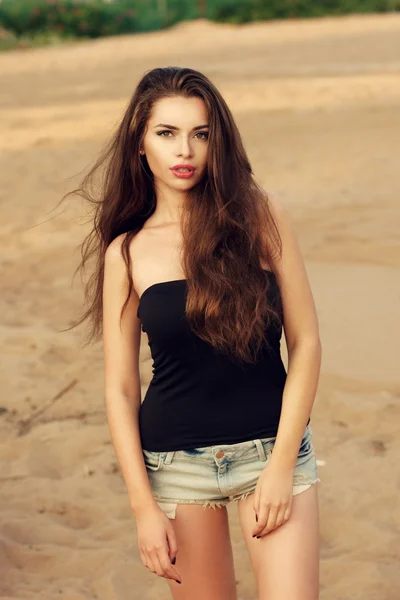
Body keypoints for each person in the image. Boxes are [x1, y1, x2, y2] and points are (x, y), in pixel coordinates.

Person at [67, 66, 322, 600]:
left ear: (217, 141)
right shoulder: (127, 252)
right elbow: (119, 388)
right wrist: (142, 506)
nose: (185, 150)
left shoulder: (260, 215)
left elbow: (305, 343)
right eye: (166, 133)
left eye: (200, 134)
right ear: (140, 143)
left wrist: (281, 466)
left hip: (271, 451)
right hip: (177, 466)